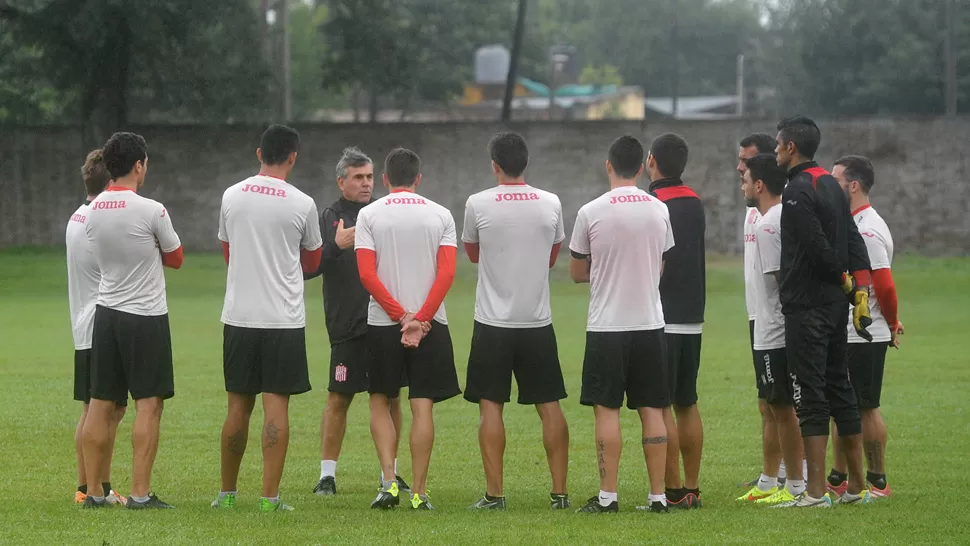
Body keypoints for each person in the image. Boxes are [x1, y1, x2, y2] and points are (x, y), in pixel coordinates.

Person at [214, 124, 323, 512]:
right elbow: (312, 261)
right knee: (276, 407)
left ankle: (226, 495)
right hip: (283, 320)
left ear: (258, 153)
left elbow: (228, 251)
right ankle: (269, 499)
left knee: (237, 407)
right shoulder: (303, 203)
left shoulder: (231, 196)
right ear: (293, 157)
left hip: (239, 316)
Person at [462, 132, 570, 510]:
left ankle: (495, 495)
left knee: (490, 405)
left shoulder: (477, 203)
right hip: (537, 321)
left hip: (492, 321)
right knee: (549, 405)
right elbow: (552, 257)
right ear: (526, 163)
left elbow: (473, 255)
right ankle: (559, 494)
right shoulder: (551, 202)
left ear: (494, 165)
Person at [570, 135, 674, 514]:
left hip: (607, 326)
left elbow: (578, 271)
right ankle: (658, 496)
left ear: (608, 164)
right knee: (652, 409)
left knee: (607, 410)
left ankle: (608, 496)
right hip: (650, 322)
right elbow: (662, 263)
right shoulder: (659, 209)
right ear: (642, 165)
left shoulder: (590, 211)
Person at [81, 132, 183, 509]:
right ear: (139, 164)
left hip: (105, 314)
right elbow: (176, 258)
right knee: (148, 404)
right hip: (145, 315)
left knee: (100, 403)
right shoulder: (151, 209)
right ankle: (140, 493)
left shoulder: (92, 211)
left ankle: (93, 491)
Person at [774, 115, 873, 507]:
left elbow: (816, 245)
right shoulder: (831, 184)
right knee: (841, 387)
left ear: (792, 148)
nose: (776, 151)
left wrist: (844, 279)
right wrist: (857, 288)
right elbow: (852, 237)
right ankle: (855, 488)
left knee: (809, 393)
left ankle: (814, 493)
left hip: (808, 305)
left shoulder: (797, 190)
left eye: (779, 144)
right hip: (833, 305)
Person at [356, 148, 461, 510]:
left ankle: (388, 482)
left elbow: (367, 274)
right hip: (430, 324)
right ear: (418, 178)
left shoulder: (369, 214)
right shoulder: (441, 215)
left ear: (384, 179)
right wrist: (421, 319)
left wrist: (402, 317)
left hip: (384, 323)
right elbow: (447, 272)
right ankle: (418, 491)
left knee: (380, 401)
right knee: (422, 407)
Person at [304, 147, 409, 496]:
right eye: (357, 177)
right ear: (341, 181)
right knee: (339, 397)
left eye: (368, 177)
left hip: (385, 323)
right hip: (347, 324)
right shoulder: (329, 216)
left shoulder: (383, 213)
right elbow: (308, 268)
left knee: (390, 397)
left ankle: (390, 474)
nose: (365, 184)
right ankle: (326, 476)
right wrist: (334, 246)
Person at [735, 154, 807, 505]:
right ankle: (786, 482)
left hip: (775, 332)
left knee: (782, 409)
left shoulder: (767, 224)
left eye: (745, 178)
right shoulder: (780, 217)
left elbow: (783, 282)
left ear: (759, 185)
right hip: (774, 329)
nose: (742, 185)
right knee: (779, 408)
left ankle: (794, 486)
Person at [828, 155, 900, 499]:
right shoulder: (853, 222)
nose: (830, 184)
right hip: (848, 331)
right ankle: (838, 476)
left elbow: (883, 285)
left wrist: (892, 320)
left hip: (865, 333)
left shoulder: (868, 229)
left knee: (865, 407)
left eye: (836, 179)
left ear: (853, 186)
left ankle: (878, 480)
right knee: (842, 406)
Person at [646, 133, 705, 509]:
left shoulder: (653, 203)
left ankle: (672, 489)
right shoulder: (695, 201)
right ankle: (693, 486)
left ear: (650, 161)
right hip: (693, 315)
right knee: (687, 401)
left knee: (661, 404)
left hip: (661, 316)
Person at [67, 149, 127, 505]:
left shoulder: (76, 216)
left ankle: (84, 487)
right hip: (101, 325)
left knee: (92, 410)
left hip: (82, 325)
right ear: (110, 181)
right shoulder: (98, 221)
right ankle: (98, 489)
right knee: (107, 410)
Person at [737, 133, 788, 490]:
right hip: (757, 316)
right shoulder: (752, 213)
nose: (740, 167)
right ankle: (775, 474)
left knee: (781, 404)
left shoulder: (774, 218)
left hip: (775, 323)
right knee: (767, 402)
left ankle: (788, 478)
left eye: (746, 161)